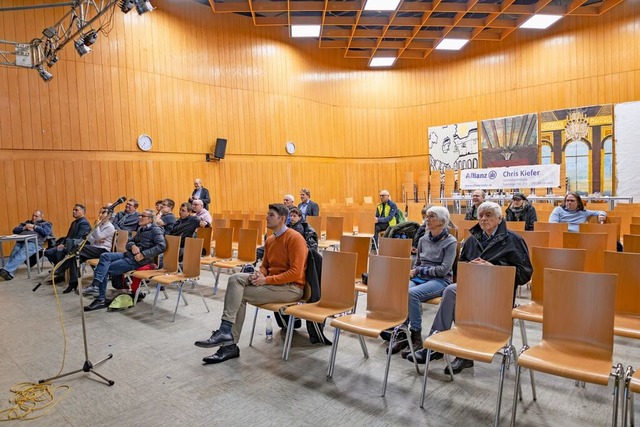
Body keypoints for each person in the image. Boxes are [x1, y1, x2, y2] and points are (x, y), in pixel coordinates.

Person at [408, 202, 532, 374]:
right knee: (451, 290)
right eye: (480, 215)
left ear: (499, 218)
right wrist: (470, 267)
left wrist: (493, 268)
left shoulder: (513, 240)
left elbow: (525, 274)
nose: (483, 219)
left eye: (488, 215)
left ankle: (463, 354)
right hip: (474, 287)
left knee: (456, 294)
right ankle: (435, 344)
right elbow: (461, 267)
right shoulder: (473, 239)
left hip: (499, 291)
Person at [195, 203, 307, 364]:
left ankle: (229, 343)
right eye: (267, 214)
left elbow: (295, 273)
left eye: (271, 215)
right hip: (274, 284)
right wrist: (260, 273)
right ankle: (226, 332)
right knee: (235, 279)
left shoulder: (295, 238)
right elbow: (265, 265)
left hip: (292, 288)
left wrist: (266, 279)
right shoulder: (270, 240)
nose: (266, 217)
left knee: (238, 296)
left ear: (282, 219)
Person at [394, 206, 457, 357]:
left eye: (431, 217)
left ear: (442, 221)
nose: (427, 219)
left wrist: (419, 270)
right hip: (421, 278)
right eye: (427, 216)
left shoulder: (450, 242)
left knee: (412, 294)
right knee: (401, 289)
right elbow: (418, 264)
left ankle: (416, 336)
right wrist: (415, 271)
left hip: (440, 280)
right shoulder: (423, 239)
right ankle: (403, 331)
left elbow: (443, 270)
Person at [83, 209, 166, 311]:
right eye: (139, 215)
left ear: (150, 220)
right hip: (128, 254)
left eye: (142, 216)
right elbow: (129, 242)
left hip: (138, 260)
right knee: (105, 256)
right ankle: (97, 281)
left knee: (105, 269)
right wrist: (133, 246)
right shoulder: (141, 229)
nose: (139, 217)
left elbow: (162, 246)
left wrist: (143, 255)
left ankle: (101, 298)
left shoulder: (155, 230)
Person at [59, 205, 116, 294]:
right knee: (75, 257)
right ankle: (73, 283)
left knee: (76, 249)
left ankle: (61, 267)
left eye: (103, 213)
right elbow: (90, 238)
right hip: (95, 248)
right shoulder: (100, 224)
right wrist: (96, 237)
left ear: (109, 215)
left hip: (102, 250)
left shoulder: (109, 226)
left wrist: (96, 229)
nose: (100, 215)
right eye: (100, 212)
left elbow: (97, 237)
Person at [0, 211, 53, 281]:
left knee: (21, 254)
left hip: (34, 243)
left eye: (36, 216)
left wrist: (34, 227)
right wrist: (24, 227)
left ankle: (6, 270)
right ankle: (8, 273)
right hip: (21, 241)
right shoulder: (26, 223)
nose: (33, 217)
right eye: (33, 215)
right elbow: (15, 230)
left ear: (41, 216)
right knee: (14, 253)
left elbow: (46, 232)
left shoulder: (46, 224)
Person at [44, 204, 91, 282]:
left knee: (60, 251)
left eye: (76, 210)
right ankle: (60, 269)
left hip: (76, 246)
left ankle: (60, 271)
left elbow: (79, 238)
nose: (73, 211)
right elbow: (68, 236)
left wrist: (64, 246)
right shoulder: (74, 222)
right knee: (48, 252)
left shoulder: (84, 223)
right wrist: (61, 244)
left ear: (83, 212)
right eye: (73, 210)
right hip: (69, 244)